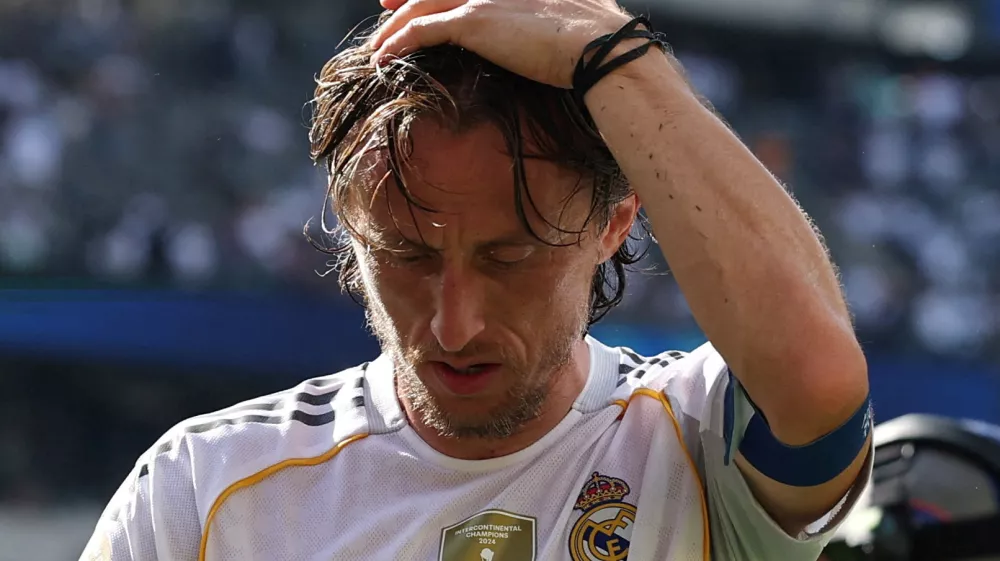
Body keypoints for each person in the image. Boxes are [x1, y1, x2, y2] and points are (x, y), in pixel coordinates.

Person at [81, 1, 874, 559]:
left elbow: (820, 379)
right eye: (406, 255)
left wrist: (617, 57)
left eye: (511, 258)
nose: (452, 325)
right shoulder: (200, 490)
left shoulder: (697, 441)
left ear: (614, 222)